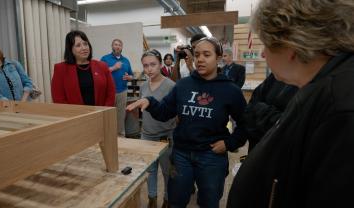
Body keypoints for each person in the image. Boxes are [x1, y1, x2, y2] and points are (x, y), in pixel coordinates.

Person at [227, 0, 354, 207]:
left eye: (266, 44)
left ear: (291, 44)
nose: (263, 53)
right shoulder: (323, 86)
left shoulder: (341, 106)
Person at [127, 37, 247, 208]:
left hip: (211, 155)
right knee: (177, 200)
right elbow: (164, 112)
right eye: (197, 54)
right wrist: (150, 102)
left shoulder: (230, 90)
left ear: (218, 58)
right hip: (182, 154)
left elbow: (245, 124)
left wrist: (229, 143)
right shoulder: (183, 85)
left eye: (207, 54)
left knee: (209, 201)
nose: (200, 59)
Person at [140, 49, 176, 208]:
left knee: (167, 171)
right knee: (150, 171)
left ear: (160, 64)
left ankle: (167, 200)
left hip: (165, 136)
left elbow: (176, 113)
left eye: (153, 64)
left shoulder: (171, 86)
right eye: (145, 65)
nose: (149, 69)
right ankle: (152, 199)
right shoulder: (142, 86)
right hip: (146, 135)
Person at [51, 30, 115, 107]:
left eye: (85, 44)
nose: (84, 48)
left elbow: (111, 93)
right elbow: (58, 98)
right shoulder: (60, 69)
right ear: (70, 49)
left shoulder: (102, 66)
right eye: (78, 45)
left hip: (101, 115)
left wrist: (104, 111)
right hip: (75, 116)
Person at [243, 73, 298, 152]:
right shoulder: (276, 75)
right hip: (257, 147)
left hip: (281, 152)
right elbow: (250, 107)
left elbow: (291, 126)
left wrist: (261, 110)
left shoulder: (311, 84)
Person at [101, 39, 134, 136]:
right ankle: (108, 136)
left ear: (122, 47)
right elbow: (100, 73)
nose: (117, 46)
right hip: (108, 92)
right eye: (115, 44)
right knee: (108, 115)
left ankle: (120, 136)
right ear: (112, 46)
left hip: (122, 92)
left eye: (119, 45)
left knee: (120, 115)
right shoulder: (105, 59)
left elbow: (131, 75)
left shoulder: (126, 60)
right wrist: (113, 68)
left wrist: (129, 78)